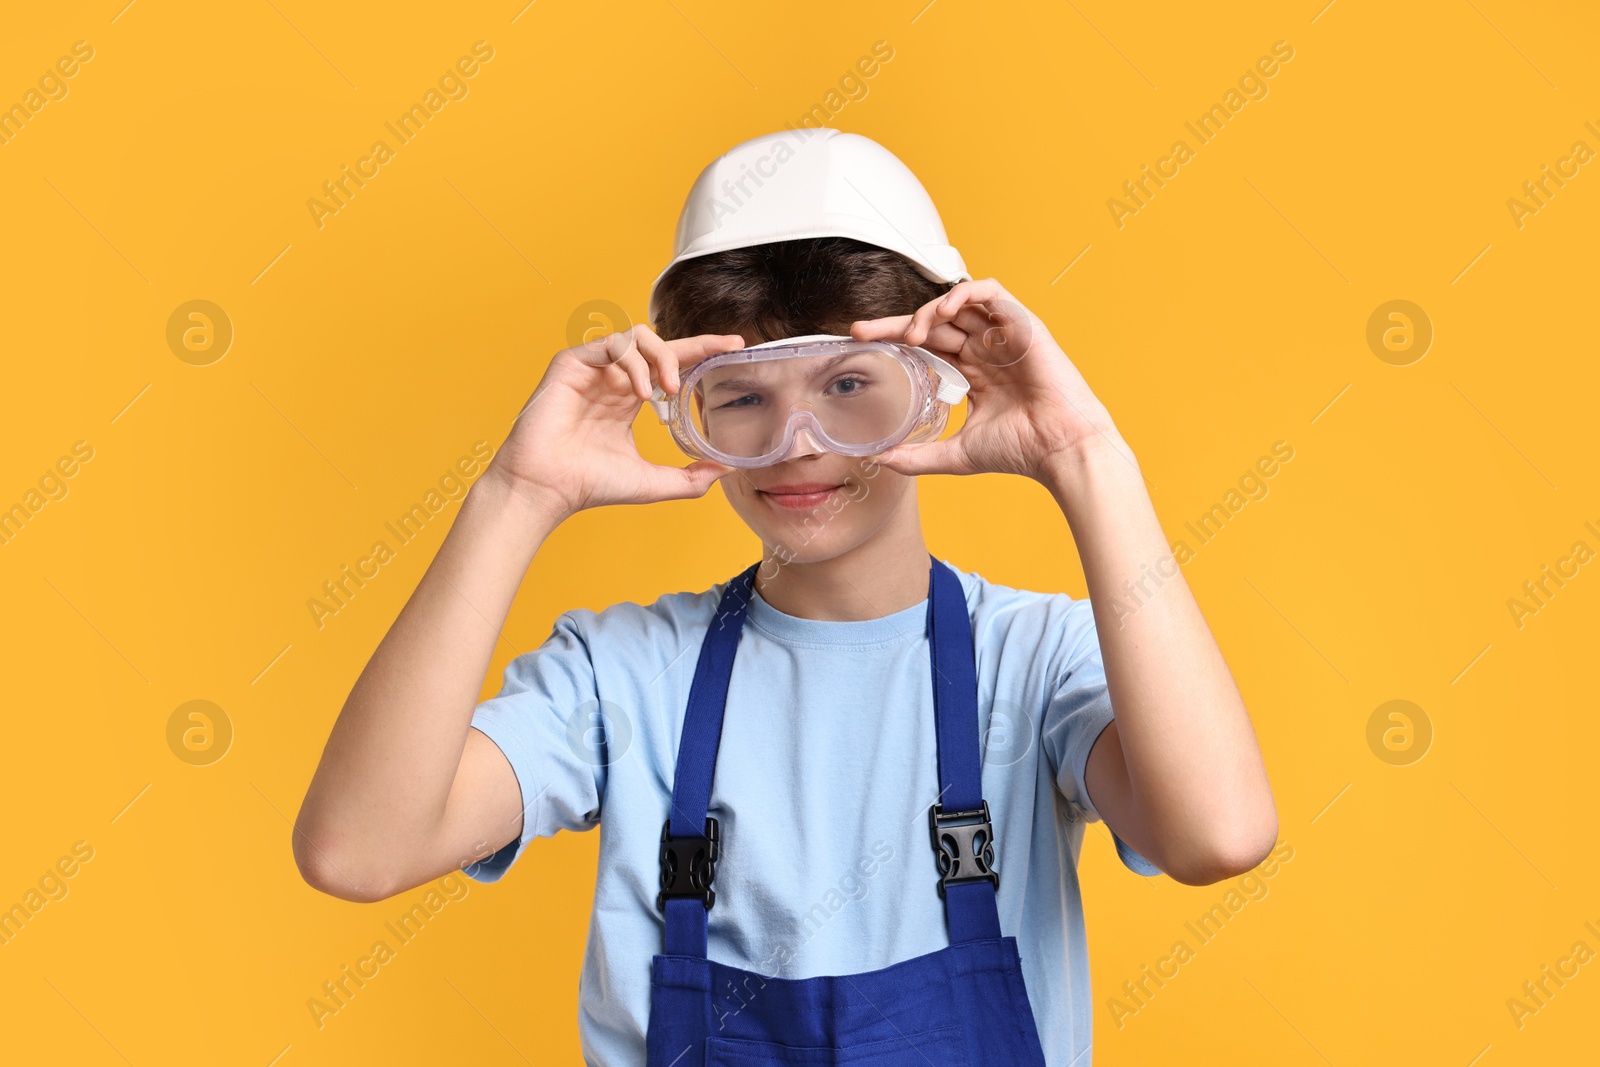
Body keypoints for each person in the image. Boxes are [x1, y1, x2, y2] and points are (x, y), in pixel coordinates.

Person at [293, 128, 1278, 1066]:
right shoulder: (623, 674)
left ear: (937, 386)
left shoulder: (1029, 661)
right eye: (744, 395)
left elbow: (1217, 834)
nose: (798, 439)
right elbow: (357, 849)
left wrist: (1082, 454)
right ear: (688, 411)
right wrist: (517, 494)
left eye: (850, 384)